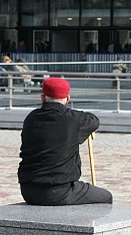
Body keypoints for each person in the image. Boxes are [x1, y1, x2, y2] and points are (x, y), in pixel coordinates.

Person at [18, 77, 113, 206]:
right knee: (106, 197)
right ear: (67, 99)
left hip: (28, 191)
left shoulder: (30, 119)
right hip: (61, 191)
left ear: (42, 98)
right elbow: (93, 120)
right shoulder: (74, 120)